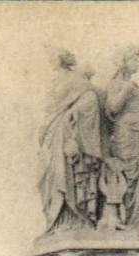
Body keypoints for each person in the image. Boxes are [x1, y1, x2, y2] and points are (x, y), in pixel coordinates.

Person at [39, 50, 107, 231]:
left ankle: (75, 219)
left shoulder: (76, 80)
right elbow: (48, 107)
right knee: (50, 175)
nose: (50, 60)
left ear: (62, 59)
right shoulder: (55, 82)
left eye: (53, 57)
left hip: (68, 133)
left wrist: (73, 115)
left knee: (70, 174)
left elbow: (91, 98)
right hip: (52, 133)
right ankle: (56, 220)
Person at [100, 46, 139, 232]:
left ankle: (135, 225)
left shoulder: (134, 85)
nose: (137, 63)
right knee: (127, 181)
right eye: (133, 59)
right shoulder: (117, 84)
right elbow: (112, 108)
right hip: (125, 137)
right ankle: (126, 224)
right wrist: (125, 90)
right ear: (123, 62)